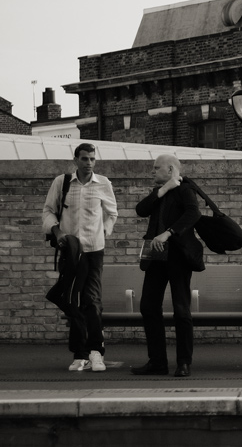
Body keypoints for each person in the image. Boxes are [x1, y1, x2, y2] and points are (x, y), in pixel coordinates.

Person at [42, 142, 119, 372]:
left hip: (94, 251)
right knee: (73, 300)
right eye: (84, 159)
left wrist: (102, 231)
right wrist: (58, 233)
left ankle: (96, 352)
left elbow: (112, 213)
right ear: (76, 160)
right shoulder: (62, 182)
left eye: (92, 159)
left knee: (91, 300)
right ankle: (80, 354)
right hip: (71, 252)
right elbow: (48, 211)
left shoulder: (103, 183)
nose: (89, 163)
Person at [131, 154, 204, 378]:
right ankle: (157, 362)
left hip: (178, 256)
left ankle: (184, 363)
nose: (152, 171)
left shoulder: (185, 190)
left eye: (156, 168)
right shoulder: (160, 192)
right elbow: (141, 209)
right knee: (148, 306)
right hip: (156, 256)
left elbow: (193, 213)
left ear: (170, 169)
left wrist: (168, 233)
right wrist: (163, 189)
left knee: (181, 309)